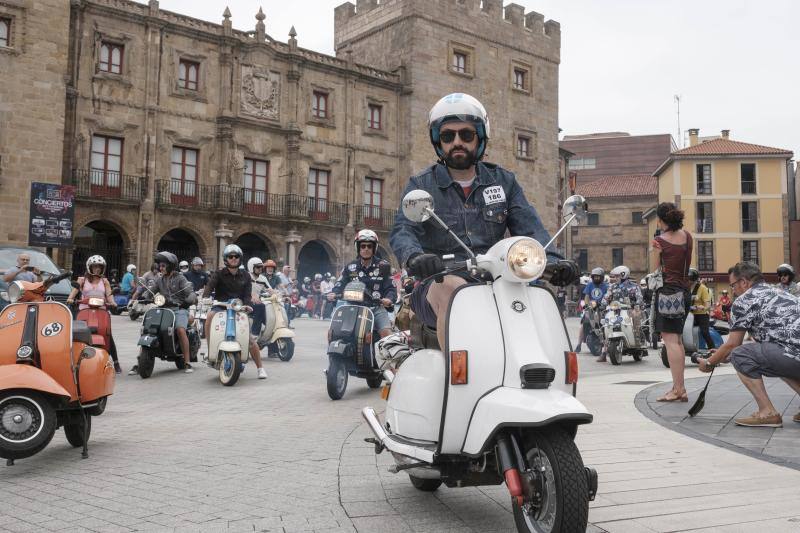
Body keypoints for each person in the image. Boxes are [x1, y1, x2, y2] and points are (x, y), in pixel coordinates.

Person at [390, 93, 578, 349]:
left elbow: (530, 226)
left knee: (536, 296)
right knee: (455, 290)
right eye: (448, 136)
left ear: (480, 137)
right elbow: (403, 229)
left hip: (497, 279)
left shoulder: (503, 181)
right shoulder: (422, 185)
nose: (457, 142)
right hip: (439, 281)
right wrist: (414, 258)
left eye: (466, 135)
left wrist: (555, 262)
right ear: (438, 140)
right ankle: (457, 380)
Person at [698, 262, 800, 427]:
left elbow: (733, 345)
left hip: (791, 354)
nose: (732, 290)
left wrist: (709, 363)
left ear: (744, 282)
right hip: (791, 353)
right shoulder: (782, 292)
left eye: (733, 285)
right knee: (776, 358)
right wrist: (722, 354)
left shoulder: (744, 300)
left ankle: (767, 412)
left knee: (741, 354)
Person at [203, 244, 267, 379]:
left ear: (240, 258)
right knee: (209, 316)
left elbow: (247, 295)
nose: (233, 259)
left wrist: (248, 305)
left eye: (236, 256)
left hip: (238, 308)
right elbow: (209, 287)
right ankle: (210, 352)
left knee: (248, 338)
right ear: (226, 259)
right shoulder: (219, 273)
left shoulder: (245, 275)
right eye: (230, 256)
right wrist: (205, 298)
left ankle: (260, 368)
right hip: (220, 306)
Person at [650, 202, 693, 402]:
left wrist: (654, 251)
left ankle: (678, 389)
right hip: (684, 292)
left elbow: (655, 268)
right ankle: (679, 388)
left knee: (670, 342)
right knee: (677, 341)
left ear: (660, 220)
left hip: (667, 292)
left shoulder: (660, 240)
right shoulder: (688, 237)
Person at [329, 229, 396, 338]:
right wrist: (333, 293)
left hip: (376, 308)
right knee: (334, 332)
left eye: (369, 246)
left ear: (374, 248)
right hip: (352, 306)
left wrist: (389, 299)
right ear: (358, 247)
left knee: (387, 336)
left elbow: (391, 288)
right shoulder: (351, 267)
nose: (366, 249)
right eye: (363, 246)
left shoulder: (383, 266)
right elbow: (340, 283)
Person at [66, 255, 121, 374]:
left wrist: (113, 303)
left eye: (100, 267)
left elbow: (109, 295)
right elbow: (73, 293)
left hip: (101, 310)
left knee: (107, 333)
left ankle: (116, 362)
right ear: (89, 267)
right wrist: (70, 299)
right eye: (95, 267)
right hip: (84, 309)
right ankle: (72, 359)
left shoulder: (105, 281)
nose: (97, 269)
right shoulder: (82, 280)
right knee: (78, 333)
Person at [151, 251, 196, 372]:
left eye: (163, 266)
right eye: (160, 266)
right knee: (149, 327)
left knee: (180, 330)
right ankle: (140, 360)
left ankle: (187, 362)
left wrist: (188, 301)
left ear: (170, 266)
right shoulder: (160, 280)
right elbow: (151, 290)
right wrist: (142, 296)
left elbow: (190, 292)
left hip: (179, 309)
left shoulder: (180, 278)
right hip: (163, 309)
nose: (161, 268)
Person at [597, 265, 643, 362]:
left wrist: (636, 306)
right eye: (614, 276)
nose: (615, 278)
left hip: (629, 310)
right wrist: (602, 304)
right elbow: (606, 297)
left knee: (636, 315)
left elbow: (639, 298)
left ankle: (637, 339)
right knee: (605, 324)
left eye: (617, 276)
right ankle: (604, 351)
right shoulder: (612, 287)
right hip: (614, 310)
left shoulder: (634, 287)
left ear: (623, 275)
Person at [575, 268, 608, 353]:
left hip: (602, 308)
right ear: (592, 277)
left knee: (606, 325)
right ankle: (578, 345)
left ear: (602, 277)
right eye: (595, 277)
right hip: (591, 308)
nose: (596, 278)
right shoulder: (589, 285)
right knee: (583, 324)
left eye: (598, 277)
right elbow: (586, 296)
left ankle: (607, 346)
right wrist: (586, 305)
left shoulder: (606, 286)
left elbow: (608, 297)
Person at [687, 268, 715, 351]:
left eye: (690, 280)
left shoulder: (703, 288)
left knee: (704, 332)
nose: (688, 282)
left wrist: (703, 307)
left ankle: (712, 349)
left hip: (701, 314)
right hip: (689, 314)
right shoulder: (686, 288)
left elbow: (708, 304)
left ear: (694, 279)